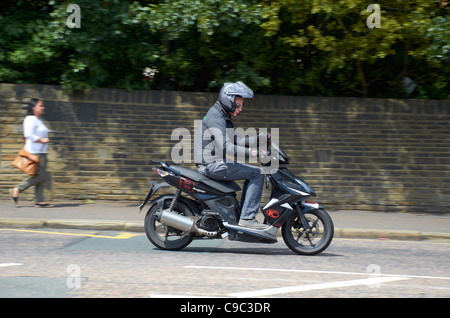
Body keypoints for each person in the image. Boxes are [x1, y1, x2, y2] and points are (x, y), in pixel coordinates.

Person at [194, 81, 267, 229]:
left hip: (215, 163)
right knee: (258, 173)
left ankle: (243, 217)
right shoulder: (216, 117)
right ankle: (247, 218)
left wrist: (258, 140)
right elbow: (227, 146)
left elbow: (237, 140)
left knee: (253, 172)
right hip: (211, 166)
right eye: (238, 105)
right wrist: (253, 153)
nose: (240, 109)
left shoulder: (222, 115)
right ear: (229, 99)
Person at [10, 98, 52, 207]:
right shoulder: (31, 119)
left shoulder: (37, 119)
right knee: (40, 177)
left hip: (41, 152)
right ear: (33, 107)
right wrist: (41, 140)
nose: (43, 108)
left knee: (40, 176)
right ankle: (17, 188)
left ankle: (39, 201)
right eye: (40, 106)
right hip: (35, 152)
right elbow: (28, 134)